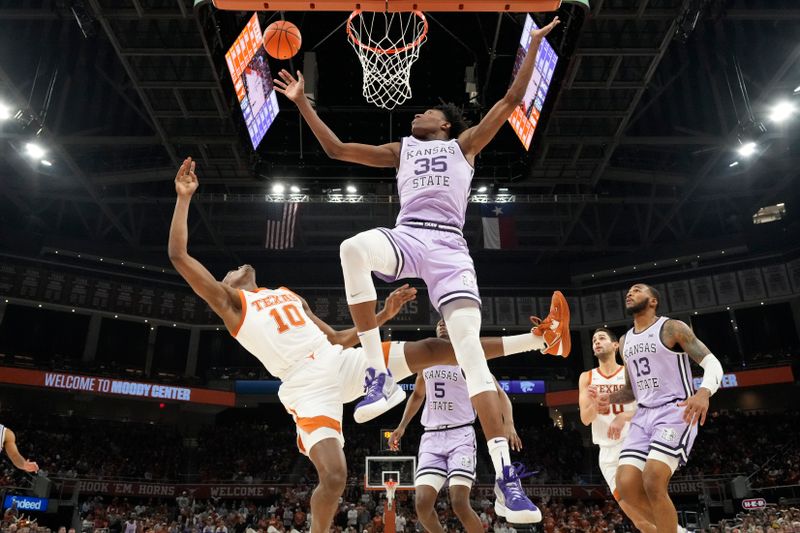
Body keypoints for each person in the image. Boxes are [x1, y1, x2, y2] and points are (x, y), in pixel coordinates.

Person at [168, 158, 564, 533]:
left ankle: (539, 338)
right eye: (233, 270)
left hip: (338, 361)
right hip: (305, 385)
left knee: (431, 348)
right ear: (228, 282)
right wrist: (184, 198)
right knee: (335, 474)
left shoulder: (289, 295)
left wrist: (383, 316)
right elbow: (179, 255)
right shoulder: (232, 304)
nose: (240, 267)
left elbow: (338, 338)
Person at [274, 17, 564, 523]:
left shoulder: (464, 145)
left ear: (446, 123)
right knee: (352, 249)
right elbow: (337, 150)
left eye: (428, 110)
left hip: (450, 248)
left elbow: (509, 103)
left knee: (471, 354)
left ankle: (505, 480)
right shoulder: (400, 150)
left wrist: (534, 50)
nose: (418, 114)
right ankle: (376, 376)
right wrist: (302, 102)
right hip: (409, 236)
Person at [591, 284, 724, 533]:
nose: (629, 293)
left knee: (652, 479)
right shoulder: (625, 339)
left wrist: (704, 392)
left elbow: (712, 363)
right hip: (643, 414)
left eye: (637, 290)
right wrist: (609, 399)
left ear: (653, 301)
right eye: (628, 291)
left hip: (674, 411)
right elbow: (632, 389)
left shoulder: (672, 328)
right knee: (626, 484)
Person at [388, 320, 530, 532]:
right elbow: (418, 395)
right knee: (422, 504)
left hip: (460, 434)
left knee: (459, 503)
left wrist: (508, 423)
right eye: (439, 323)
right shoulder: (426, 360)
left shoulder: (468, 358)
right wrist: (402, 426)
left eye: (447, 322)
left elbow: (500, 394)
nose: (443, 325)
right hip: (431, 436)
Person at [579, 328, 655, 533]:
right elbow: (585, 419)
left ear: (615, 346)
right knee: (637, 518)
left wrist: (624, 416)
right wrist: (594, 403)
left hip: (633, 443)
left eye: (601, 338)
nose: (596, 342)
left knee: (645, 504)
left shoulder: (629, 372)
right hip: (606, 451)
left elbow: (650, 407)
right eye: (594, 339)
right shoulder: (587, 377)